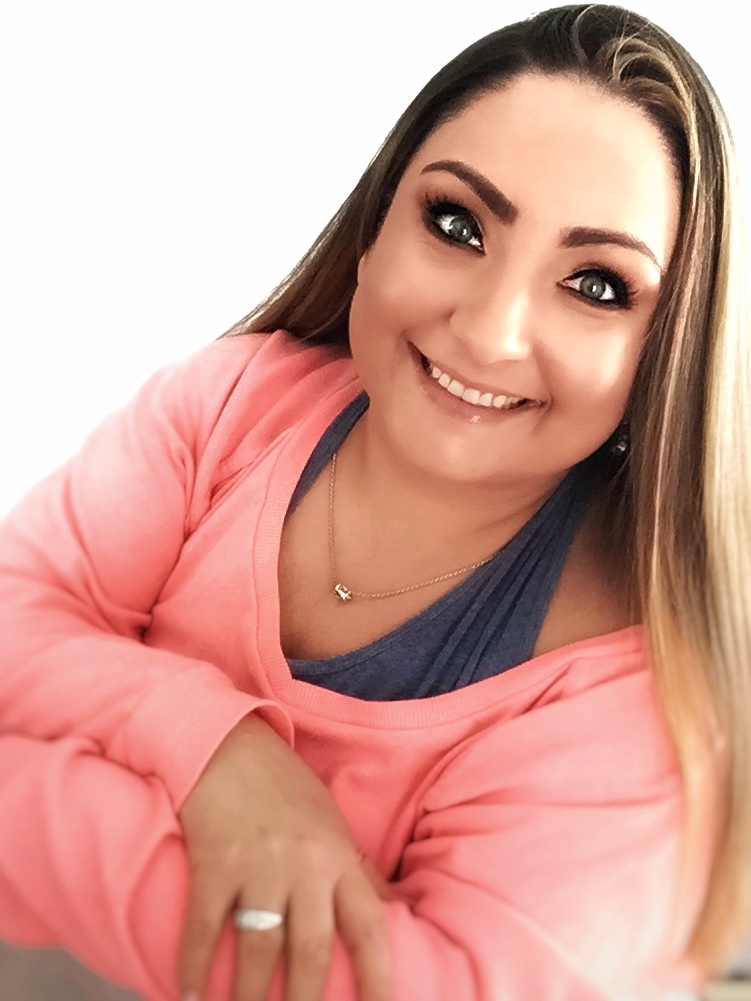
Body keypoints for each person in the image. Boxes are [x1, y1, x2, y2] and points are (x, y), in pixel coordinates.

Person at [0, 4, 749, 1000]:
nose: (488, 331)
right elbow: (17, 617)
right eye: (458, 224)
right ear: (373, 231)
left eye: (596, 285)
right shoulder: (231, 399)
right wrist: (218, 751)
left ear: (665, 358)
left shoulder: (638, 696)